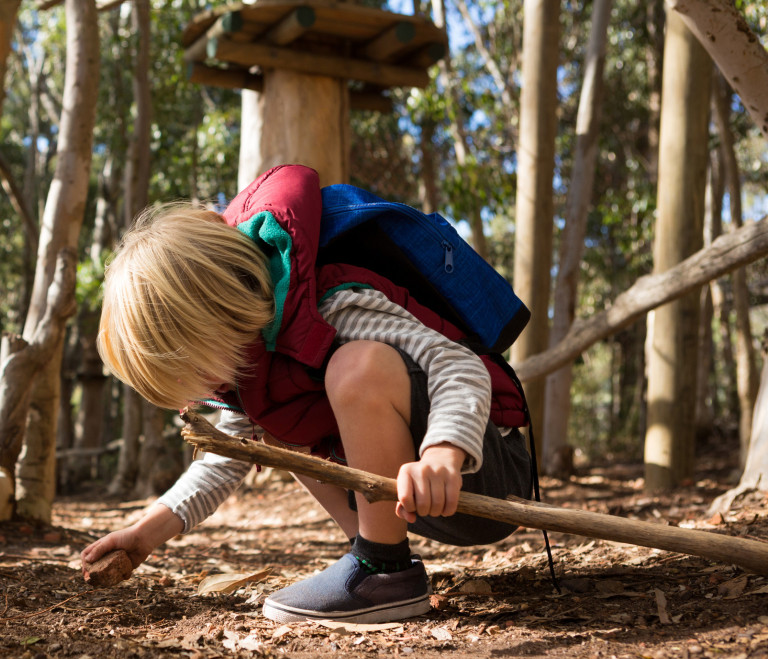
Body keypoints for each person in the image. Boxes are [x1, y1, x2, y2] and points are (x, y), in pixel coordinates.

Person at [81, 165, 532, 624]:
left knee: (356, 368)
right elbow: (224, 458)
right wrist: (144, 535)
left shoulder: (335, 306)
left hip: (481, 477)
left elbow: (458, 365)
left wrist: (444, 453)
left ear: (215, 313)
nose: (198, 389)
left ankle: (382, 570)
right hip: (409, 499)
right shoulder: (249, 368)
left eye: (192, 369)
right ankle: (375, 555)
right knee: (275, 427)